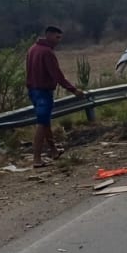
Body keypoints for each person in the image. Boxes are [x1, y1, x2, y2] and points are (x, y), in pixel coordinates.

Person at [25, 26, 86, 168]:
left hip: (33, 90)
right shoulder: (47, 52)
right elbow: (57, 75)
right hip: (43, 92)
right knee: (41, 123)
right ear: (49, 35)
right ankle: (37, 159)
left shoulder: (32, 48)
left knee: (45, 122)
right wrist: (73, 90)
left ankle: (53, 151)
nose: (58, 41)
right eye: (57, 37)